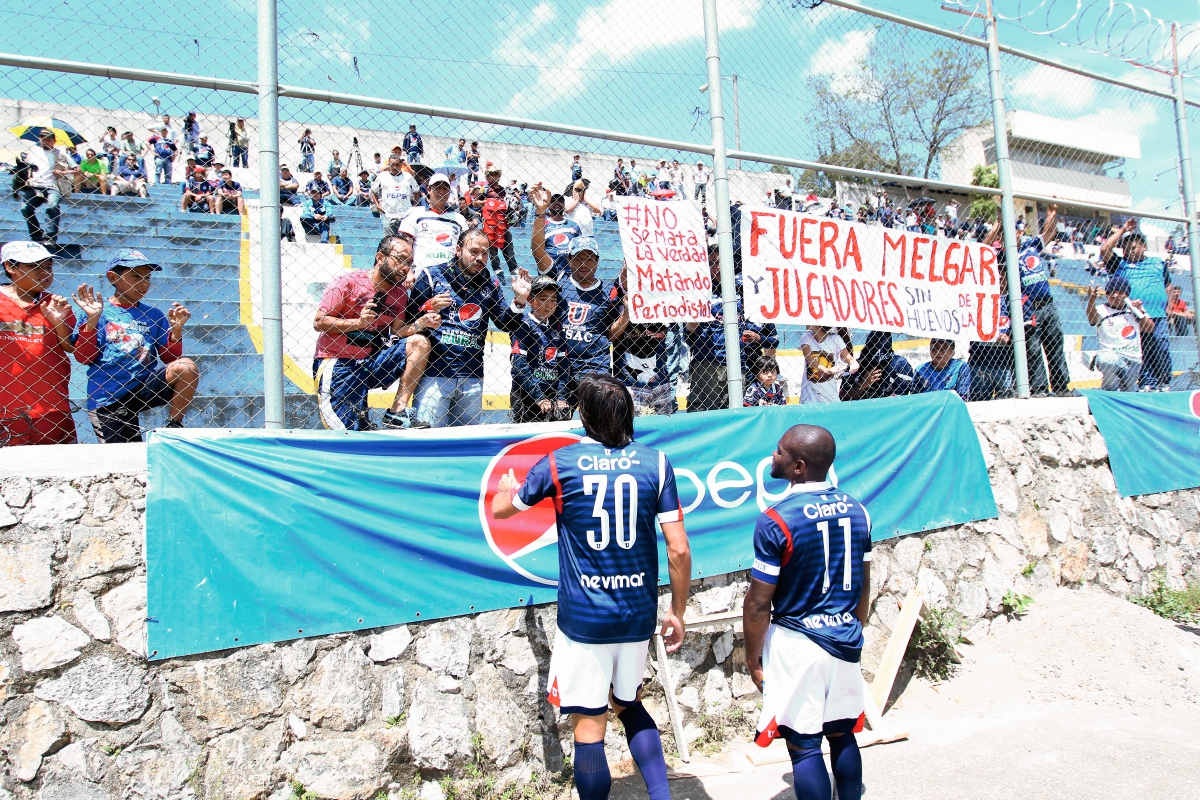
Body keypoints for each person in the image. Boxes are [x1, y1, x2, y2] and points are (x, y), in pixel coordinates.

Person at [491, 372, 691, 800]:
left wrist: (503, 493)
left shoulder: (560, 462)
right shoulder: (656, 462)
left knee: (588, 726)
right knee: (629, 704)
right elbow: (678, 549)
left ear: (583, 414)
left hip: (586, 617)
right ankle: (662, 795)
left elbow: (505, 511)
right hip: (635, 614)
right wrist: (678, 609)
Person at [743, 424, 870, 800]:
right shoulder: (857, 509)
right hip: (844, 638)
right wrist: (853, 628)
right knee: (843, 733)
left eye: (779, 451)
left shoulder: (776, 518)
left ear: (798, 467)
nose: (772, 456)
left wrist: (754, 658)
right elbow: (864, 582)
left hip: (798, 642)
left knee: (804, 745)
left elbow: (758, 601)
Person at [312, 235, 445, 431]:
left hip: (371, 364)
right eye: (400, 259)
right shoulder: (347, 283)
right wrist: (359, 323)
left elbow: (397, 332)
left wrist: (420, 323)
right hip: (339, 363)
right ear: (380, 257)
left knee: (419, 342)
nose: (405, 267)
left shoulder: (399, 293)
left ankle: (397, 412)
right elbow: (319, 322)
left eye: (409, 263)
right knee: (345, 432)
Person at [73, 249, 200, 443]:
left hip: (142, 386)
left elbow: (170, 359)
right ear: (113, 277)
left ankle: (175, 426)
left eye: (148, 277)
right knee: (121, 456)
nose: (144, 283)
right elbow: (84, 358)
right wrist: (92, 320)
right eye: (135, 276)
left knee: (187, 367)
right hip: (109, 396)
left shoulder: (154, 315)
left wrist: (176, 332)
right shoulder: (97, 311)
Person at [406, 229, 512, 427]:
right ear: (457, 250)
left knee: (465, 443)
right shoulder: (431, 275)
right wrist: (428, 307)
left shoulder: (491, 284)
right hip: (434, 374)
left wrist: (519, 303)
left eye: (485, 253)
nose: (480, 258)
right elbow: (407, 320)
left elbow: (504, 323)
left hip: (472, 377)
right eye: (473, 251)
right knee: (427, 440)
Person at [986, 203, 1070, 396]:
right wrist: (998, 224)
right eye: (1007, 232)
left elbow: (1049, 233)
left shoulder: (1030, 247)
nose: (1013, 234)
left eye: (1015, 230)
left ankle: (1061, 387)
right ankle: (1039, 389)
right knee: (1032, 350)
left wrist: (1052, 211)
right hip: (1027, 309)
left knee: (1055, 346)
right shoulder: (1002, 256)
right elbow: (986, 246)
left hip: (1048, 304)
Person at [0, 241, 77, 446]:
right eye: (34, 266)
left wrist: (58, 321)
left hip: (52, 407)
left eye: (48, 267)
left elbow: (71, 347)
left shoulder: (55, 303)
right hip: (6, 408)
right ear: (10, 267)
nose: (44, 273)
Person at [686, 244, 778, 412]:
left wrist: (757, 339)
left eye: (723, 261)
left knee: (737, 412)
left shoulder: (749, 291)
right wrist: (692, 322)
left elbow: (772, 339)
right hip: (709, 363)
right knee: (704, 411)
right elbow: (689, 334)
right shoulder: (700, 291)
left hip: (740, 364)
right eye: (713, 262)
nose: (719, 266)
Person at [1100, 221, 1172, 390]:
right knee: (1142, 350)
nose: (1129, 251)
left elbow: (1168, 285)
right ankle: (1148, 383)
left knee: (1161, 348)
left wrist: (1169, 306)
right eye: (1125, 248)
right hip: (1132, 315)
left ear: (1144, 247)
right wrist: (1123, 229)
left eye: (1133, 247)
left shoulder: (1158, 263)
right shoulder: (1119, 264)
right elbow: (1104, 250)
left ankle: (1164, 380)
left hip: (1157, 313)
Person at [508, 275, 571, 423]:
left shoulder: (557, 328)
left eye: (553, 300)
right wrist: (539, 397)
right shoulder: (524, 326)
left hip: (551, 394)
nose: (549, 305)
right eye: (543, 299)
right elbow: (519, 366)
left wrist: (561, 396)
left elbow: (564, 365)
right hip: (527, 395)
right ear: (531, 300)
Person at [1086, 276, 1155, 392]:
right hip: (1111, 356)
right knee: (1106, 362)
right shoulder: (1101, 309)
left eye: (1120, 292)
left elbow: (1149, 329)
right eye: (1111, 293)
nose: (1115, 296)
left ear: (1127, 295)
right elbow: (1092, 320)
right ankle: (1110, 389)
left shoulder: (1133, 309)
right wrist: (1092, 300)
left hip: (1132, 358)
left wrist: (1139, 312)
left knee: (1127, 392)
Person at [398, 173, 469, 271]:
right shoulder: (414, 213)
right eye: (437, 188)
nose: (441, 192)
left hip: (450, 277)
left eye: (445, 188)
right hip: (420, 274)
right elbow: (405, 246)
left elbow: (466, 248)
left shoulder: (459, 219)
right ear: (429, 189)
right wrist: (408, 271)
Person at [20, 129, 73, 246]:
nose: (45, 142)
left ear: (54, 141)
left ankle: (50, 237)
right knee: (25, 208)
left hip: (53, 186)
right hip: (35, 186)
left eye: (48, 140)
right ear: (39, 139)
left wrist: (62, 173)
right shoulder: (32, 152)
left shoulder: (60, 153)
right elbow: (24, 168)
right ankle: (36, 235)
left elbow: (78, 169)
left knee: (52, 206)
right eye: (43, 139)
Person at [839, 331, 916, 400]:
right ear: (867, 347)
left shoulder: (900, 365)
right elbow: (843, 398)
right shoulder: (855, 367)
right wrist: (863, 384)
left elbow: (901, 400)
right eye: (873, 349)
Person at [799, 326, 856, 404]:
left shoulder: (835, 339)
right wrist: (827, 370)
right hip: (809, 398)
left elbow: (848, 357)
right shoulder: (806, 337)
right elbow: (810, 360)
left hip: (830, 397)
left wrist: (853, 364)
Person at [371, 155, 420, 236]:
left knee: (405, 241)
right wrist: (377, 205)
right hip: (388, 215)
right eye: (392, 164)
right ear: (389, 165)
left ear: (401, 165)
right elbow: (373, 190)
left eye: (397, 164)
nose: (395, 167)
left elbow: (417, 190)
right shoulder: (382, 176)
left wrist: (415, 204)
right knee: (389, 242)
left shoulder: (407, 176)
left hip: (405, 216)